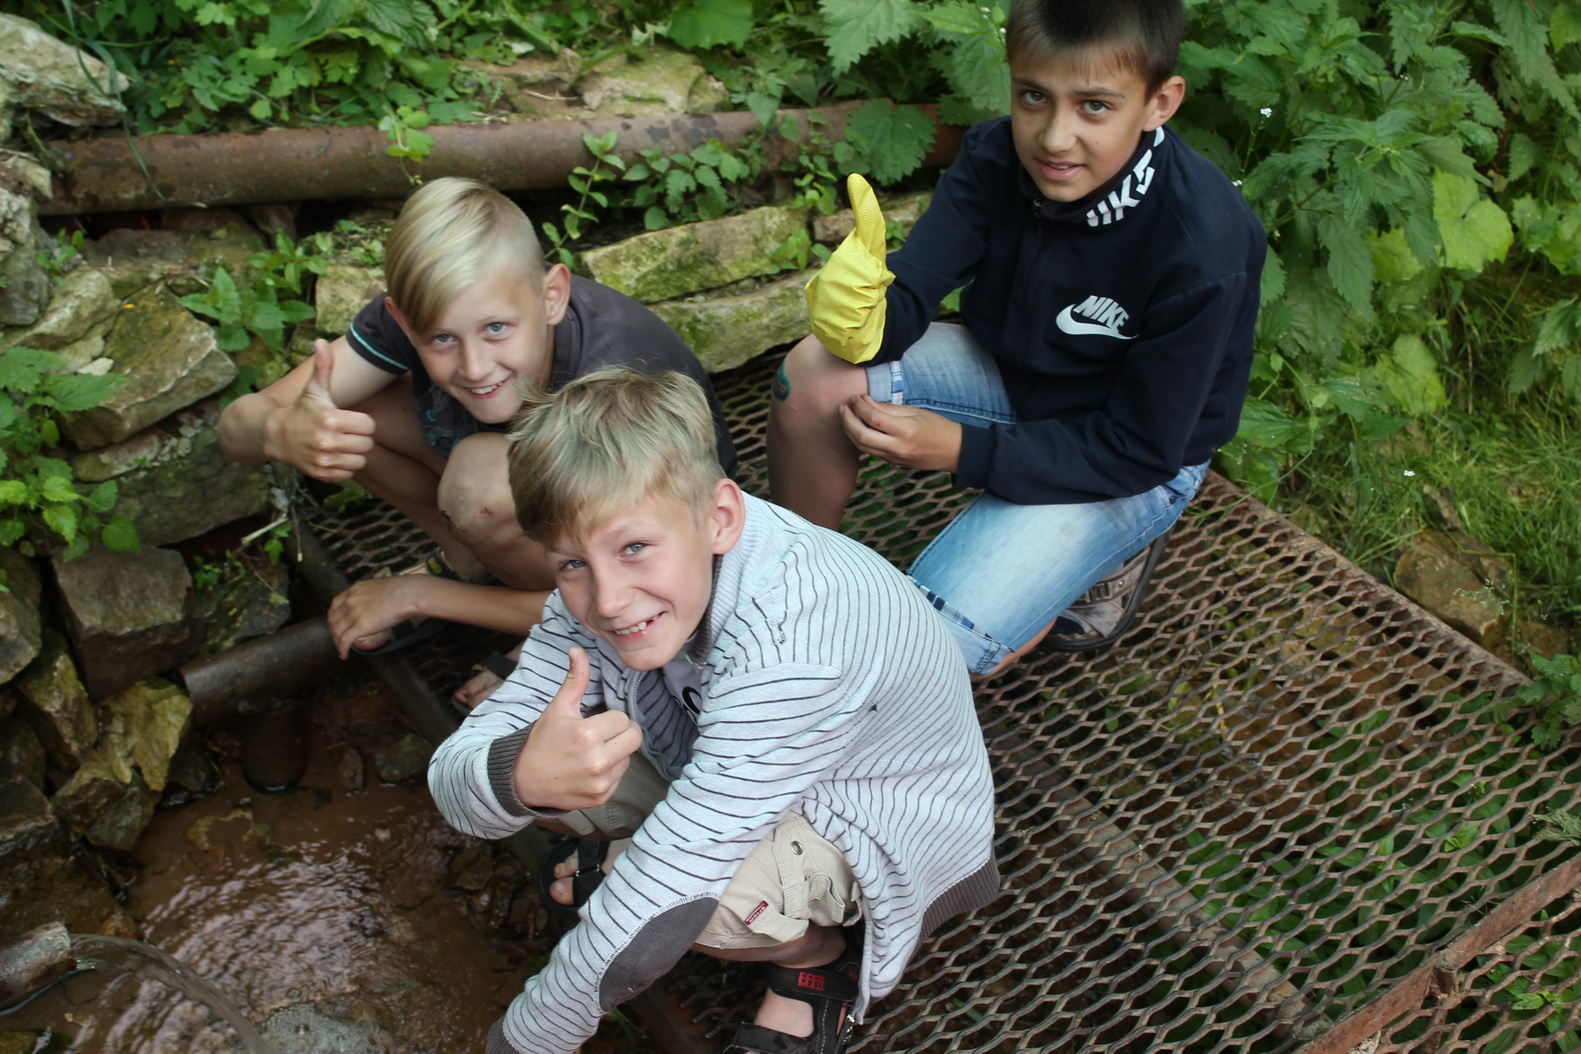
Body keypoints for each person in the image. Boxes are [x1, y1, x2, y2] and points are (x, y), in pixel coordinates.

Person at [427, 368, 998, 1054]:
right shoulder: (605, 597)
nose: (607, 601)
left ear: (719, 518)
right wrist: (517, 774)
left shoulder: (795, 643)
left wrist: (519, 1043)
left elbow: (662, 896)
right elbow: (459, 769)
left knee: (682, 908)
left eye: (634, 547)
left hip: (869, 821)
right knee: (542, 770)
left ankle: (819, 958)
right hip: (727, 764)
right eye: (571, 563)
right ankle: (640, 860)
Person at [769, 0, 1265, 678]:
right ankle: (790, 588)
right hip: (1008, 375)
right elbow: (915, 285)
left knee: (933, 641)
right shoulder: (995, 156)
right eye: (1034, 96)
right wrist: (866, 318)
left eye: (1093, 106)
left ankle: (1100, 556)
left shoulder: (1203, 246)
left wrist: (961, 449)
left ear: (1159, 102)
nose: (1054, 138)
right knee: (811, 377)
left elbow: (1142, 446)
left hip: (1132, 455)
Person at [218, 178, 737, 701]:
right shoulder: (420, 319)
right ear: (402, 318)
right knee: (340, 405)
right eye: (441, 338)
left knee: (483, 486)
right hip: (548, 501)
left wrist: (420, 596)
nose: (474, 366)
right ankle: (467, 561)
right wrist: (278, 430)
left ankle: (556, 633)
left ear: (551, 295)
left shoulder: (616, 372)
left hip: (642, 562)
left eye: (496, 329)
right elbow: (238, 425)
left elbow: (661, 581)